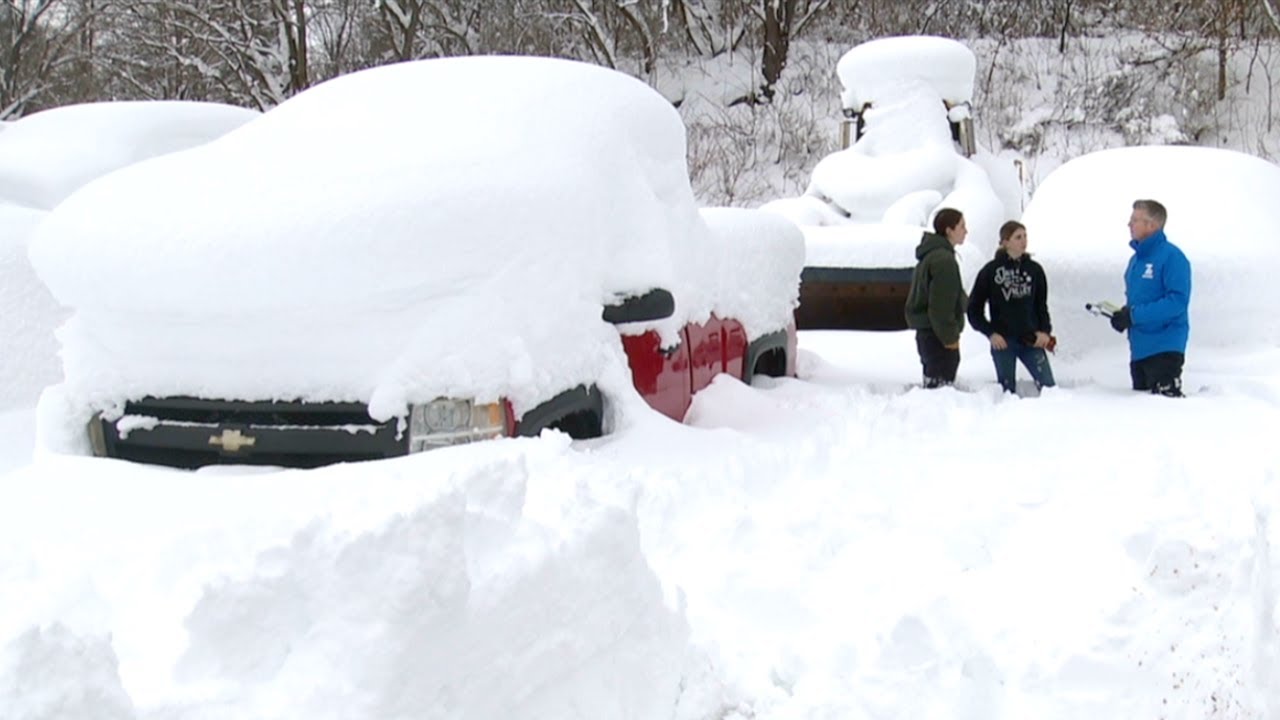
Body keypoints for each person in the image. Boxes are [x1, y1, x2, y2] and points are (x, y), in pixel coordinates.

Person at [1109, 199, 1192, 397]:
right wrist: (1123, 316)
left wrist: (1134, 316)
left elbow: (1177, 302)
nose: (1129, 224)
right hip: (1139, 351)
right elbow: (1138, 301)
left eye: (1135, 220)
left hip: (1165, 348)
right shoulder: (1135, 261)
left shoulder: (1172, 257)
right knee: (1141, 410)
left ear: (1151, 225)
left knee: (1162, 409)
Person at [967, 220, 1056, 394]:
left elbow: (1041, 306)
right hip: (1004, 341)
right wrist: (990, 333)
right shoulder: (990, 271)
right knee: (1007, 391)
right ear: (1005, 242)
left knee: (1049, 387)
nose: (1023, 241)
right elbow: (973, 309)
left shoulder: (1035, 270)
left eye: (1025, 236)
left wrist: (1045, 331)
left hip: (1030, 339)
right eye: (1018, 237)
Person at [905, 208, 967, 388]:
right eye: (962, 226)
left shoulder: (932, 256)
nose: (966, 231)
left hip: (929, 334)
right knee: (940, 393)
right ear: (949, 230)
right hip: (938, 337)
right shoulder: (943, 260)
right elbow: (941, 305)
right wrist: (950, 338)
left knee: (933, 389)